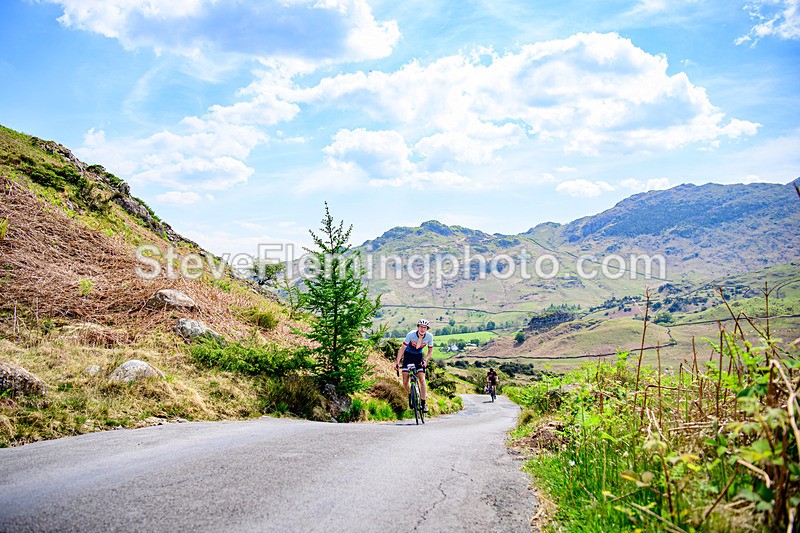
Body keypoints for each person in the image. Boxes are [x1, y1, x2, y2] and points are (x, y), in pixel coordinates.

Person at [395, 319, 434, 412]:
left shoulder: (429, 336)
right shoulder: (411, 334)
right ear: (418, 327)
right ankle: (411, 393)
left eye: (424, 327)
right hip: (408, 356)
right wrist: (397, 362)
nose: (422, 329)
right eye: (421, 327)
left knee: (422, 379)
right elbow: (402, 349)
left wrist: (425, 360)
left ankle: (423, 403)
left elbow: (430, 351)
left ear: (427, 329)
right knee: (405, 381)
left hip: (418, 357)